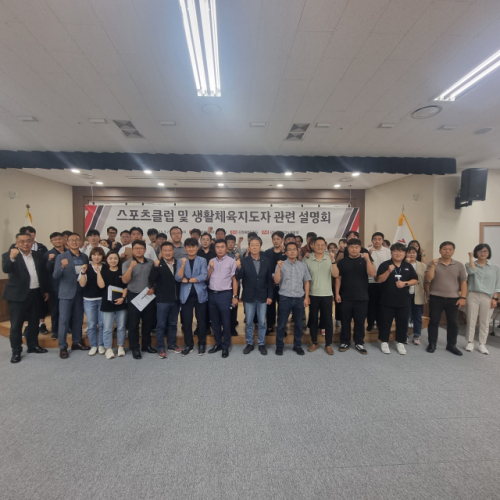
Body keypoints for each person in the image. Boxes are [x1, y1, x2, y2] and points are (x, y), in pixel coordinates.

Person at [2, 233, 49, 363]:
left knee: (34, 322)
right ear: (16, 242)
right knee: (16, 325)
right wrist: (12, 257)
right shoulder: (9, 255)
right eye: (22, 241)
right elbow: (6, 269)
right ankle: (16, 351)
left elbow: (43, 274)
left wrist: (45, 290)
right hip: (17, 295)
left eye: (28, 241)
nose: (25, 244)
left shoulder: (37, 255)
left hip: (36, 293)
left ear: (32, 242)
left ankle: (33, 345)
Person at [334, 239, 376, 355]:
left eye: (356, 247)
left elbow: (372, 274)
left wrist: (368, 259)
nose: (354, 249)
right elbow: (338, 279)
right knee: (345, 321)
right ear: (348, 248)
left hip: (362, 297)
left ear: (360, 248)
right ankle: (345, 341)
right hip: (345, 296)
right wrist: (337, 293)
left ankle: (359, 342)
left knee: (360, 321)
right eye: (351, 247)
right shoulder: (342, 262)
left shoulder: (364, 260)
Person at [425, 241, 467, 355]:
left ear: (453, 251)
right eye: (444, 249)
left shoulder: (459, 265)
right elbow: (428, 278)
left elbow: (463, 282)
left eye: (450, 249)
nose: (447, 251)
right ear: (440, 250)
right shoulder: (433, 263)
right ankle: (432, 343)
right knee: (434, 321)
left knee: (453, 323)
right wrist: (433, 266)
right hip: (436, 297)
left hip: (453, 298)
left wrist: (463, 297)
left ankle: (451, 345)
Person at [376, 243, 419, 355]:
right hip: (387, 300)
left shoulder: (407, 266)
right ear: (391, 253)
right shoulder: (385, 265)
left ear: (405, 253)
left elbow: (415, 280)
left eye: (401, 251)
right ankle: (384, 342)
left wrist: (405, 283)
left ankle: (400, 342)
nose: (398, 253)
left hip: (403, 300)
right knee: (385, 322)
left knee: (402, 322)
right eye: (395, 251)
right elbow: (379, 279)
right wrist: (388, 271)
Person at [53, 233, 90, 358]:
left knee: (78, 319)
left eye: (77, 240)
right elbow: (55, 275)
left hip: (81, 292)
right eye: (72, 240)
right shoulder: (61, 257)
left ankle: (77, 342)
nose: (74, 242)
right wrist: (62, 267)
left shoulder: (84, 256)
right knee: (63, 320)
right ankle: (63, 346)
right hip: (66, 293)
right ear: (67, 242)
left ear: (80, 242)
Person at [236, 237, 273, 355]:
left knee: (262, 322)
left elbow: (269, 280)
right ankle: (250, 343)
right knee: (249, 322)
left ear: (260, 246)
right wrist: (239, 268)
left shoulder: (266, 261)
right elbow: (239, 277)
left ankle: (261, 344)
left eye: (257, 245)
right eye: (252, 245)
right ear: (249, 247)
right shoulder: (244, 261)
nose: (255, 247)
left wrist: (270, 296)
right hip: (249, 295)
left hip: (263, 295)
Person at [273, 242, 311, 355]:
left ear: (298, 251)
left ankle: (297, 346)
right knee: (281, 324)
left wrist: (306, 297)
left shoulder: (303, 265)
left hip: (299, 298)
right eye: (289, 249)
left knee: (299, 324)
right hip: (285, 298)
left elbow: (306, 281)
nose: (292, 251)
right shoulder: (281, 264)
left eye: (294, 249)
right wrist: (279, 268)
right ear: (286, 252)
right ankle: (279, 346)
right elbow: (276, 281)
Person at [122, 240, 157, 359]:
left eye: (141, 248)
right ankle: (135, 348)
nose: (138, 250)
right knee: (133, 324)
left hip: (148, 296)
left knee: (148, 323)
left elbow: (155, 278)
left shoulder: (151, 262)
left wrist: (153, 288)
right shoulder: (127, 263)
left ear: (145, 250)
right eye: (136, 248)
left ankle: (146, 345)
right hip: (134, 295)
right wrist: (131, 268)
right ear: (132, 250)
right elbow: (125, 280)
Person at [465, 244, 500, 354]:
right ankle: (470, 342)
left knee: (485, 321)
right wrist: (471, 257)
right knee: (471, 319)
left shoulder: (495, 267)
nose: (483, 253)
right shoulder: (469, 264)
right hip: (473, 294)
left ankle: (482, 343)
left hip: (488, 296)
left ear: (489, 253)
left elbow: (497, 284)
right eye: (480, 251)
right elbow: (472, 272)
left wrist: (495, 298)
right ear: (476, 253)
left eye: (485, 251)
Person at [176, 238, 208, 356]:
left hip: (200, 295)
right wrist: (183, 265)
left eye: (193, 246)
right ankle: (189, 345)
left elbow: (203, 276)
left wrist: (188, 280)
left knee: (201, 321)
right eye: (188, 247)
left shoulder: (202, 260)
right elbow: (178, 278)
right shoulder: (180, 261)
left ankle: (201, 344)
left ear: (197, 248)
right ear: (185, 248)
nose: (191, 249)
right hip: (186, 296)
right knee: (187, 322)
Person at [149, 242, 182, 358]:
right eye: (165, 250)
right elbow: (151, 279)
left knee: (173, 324)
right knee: (161, 325)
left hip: (176, 299)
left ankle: (172, 344)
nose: (168, 252)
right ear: (161, 252)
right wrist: (155, 267)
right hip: (162, 300)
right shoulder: (158, 264)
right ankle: (161, 347)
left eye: (170, 250)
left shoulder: (178, 263)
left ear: (173, 251)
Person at [207, 239, 238, 358]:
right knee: (214, 321)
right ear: (215, 249)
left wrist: (234, 296)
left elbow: (234, 280)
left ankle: (225, 346)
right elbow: (206, 277)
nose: (220, 249)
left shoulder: (231, 261)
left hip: (225, 294)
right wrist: (210, 268)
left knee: (226, 322)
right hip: (212, 294)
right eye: (217, 247)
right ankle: (218, 344)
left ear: (226, 248)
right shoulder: (211, 261)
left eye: (222, 247)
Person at [305, 237, 336, 355]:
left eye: (322, 245)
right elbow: (305, 279)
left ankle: (328, 344)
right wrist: (306, 296)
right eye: (317, 245)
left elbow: (336, 274)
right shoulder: (308, 259)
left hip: (327, 294)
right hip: (313, 294)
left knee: (328, 320)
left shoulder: (329, 259)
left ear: (325, 246)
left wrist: (333, 261)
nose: (320, 247)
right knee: (313, 319)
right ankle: (314, 342)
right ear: (313, 246)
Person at [19, 226, 49, 334]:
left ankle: (42, 324)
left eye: (32, 233)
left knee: (41, 304)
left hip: (39, 282)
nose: (31, 236)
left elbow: (45, 266)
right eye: (28, 234)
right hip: (24, 286)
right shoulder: (15, 249)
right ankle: (27, 326)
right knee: (26, 307)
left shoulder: (41, 247)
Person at [98, 251, 127, 359]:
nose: (113, 260)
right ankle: (108, 348)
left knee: (121, 326)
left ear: (118, 259)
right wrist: (98, 272)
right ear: (106, 259)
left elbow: (126, 286)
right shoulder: (103, 271)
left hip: (121, 302)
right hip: (107, 303)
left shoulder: (122, 270)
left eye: (115, 258)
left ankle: (120, 346)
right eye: (110, 258)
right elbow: (101, 286)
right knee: (107, 327)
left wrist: (123, 298)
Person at [78, 247, 106, 356]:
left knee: (102, 324)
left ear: (102, 256)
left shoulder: (106, 267)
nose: (96, 257)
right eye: (94, 255)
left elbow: (102, 285)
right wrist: (83, 272)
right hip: (89, 300)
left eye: (99, 255)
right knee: (92, 324)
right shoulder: (86, 267)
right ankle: (93, 345)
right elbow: (82, 284)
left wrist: (98, 271)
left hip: (102, 299)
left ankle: (101, 345)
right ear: (91, 256)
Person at [367, 232, 391, 332]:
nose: (377, 241)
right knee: (371, 304)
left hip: (383, 281)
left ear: (382, 240)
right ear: (372, 240)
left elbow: (389, 265)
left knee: (382, 304)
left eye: (379, 239)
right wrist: (369, 254)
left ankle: (380, 324)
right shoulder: (367, 251)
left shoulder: (388, 251)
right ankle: (370, 324)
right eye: (375, 239)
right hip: (370, 281)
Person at [44, 232, 65, 340]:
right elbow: (45, 271)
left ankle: (68, 327)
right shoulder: (48, 254)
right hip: (55, 286)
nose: (58, 241)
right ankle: (55, 330)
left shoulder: (69, 252)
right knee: (56, 309)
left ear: (63, 240)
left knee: (68, 309)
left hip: (68, 285)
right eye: (55, 239)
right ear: (51, 242)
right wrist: (50, 261)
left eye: (60, 239)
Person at [264, 231, 286, 334]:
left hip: (283, 284)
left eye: (278, 239)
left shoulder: (286, 253)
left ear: (282, 240)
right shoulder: (267, 253)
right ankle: (269, 326)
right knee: (270, 306)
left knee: (282, 307)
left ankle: (281, 327)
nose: (276, 241)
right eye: (274, 239)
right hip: (270, 284)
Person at [405, 247, 427, 345]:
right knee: (406, 315)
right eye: (409, 252)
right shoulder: (403, 264)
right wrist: (406, 263)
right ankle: (405, 334)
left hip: (418, 293)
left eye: (414, 252)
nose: (411, 254)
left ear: (417, 254)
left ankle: (417, 335)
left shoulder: (422, 265)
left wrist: (427, 292)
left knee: (417, 316)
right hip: (406, 294)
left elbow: (426, 280)